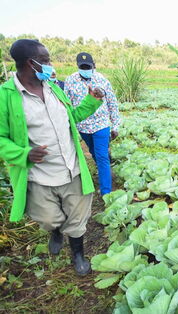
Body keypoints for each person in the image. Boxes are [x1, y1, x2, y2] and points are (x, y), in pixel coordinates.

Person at [0, 39, 105, 275]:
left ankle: (78, 255)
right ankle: (55, 231)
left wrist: (92, 102)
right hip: (40, 175)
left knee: (78, 219)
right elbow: (1, 138)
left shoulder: (54, 87)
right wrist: (23, 154)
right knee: (49, 218)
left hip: (71, 167)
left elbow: (71, 118)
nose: (50, 65)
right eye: (45, 60)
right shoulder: (6, 95)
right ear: (31, 63)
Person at [65, 52, 120, 196]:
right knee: (94, 153)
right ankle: (106, 172)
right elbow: (67, 104)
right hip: (83, 126)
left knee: (101, 155)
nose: (85, 69)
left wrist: (115, 125)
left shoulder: (102, 80)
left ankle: (106, 192)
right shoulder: (70, 80)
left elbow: (112, 103)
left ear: (93, 66)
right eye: (82, 67)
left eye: (87, 66)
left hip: (101, 124)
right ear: (77, 66)